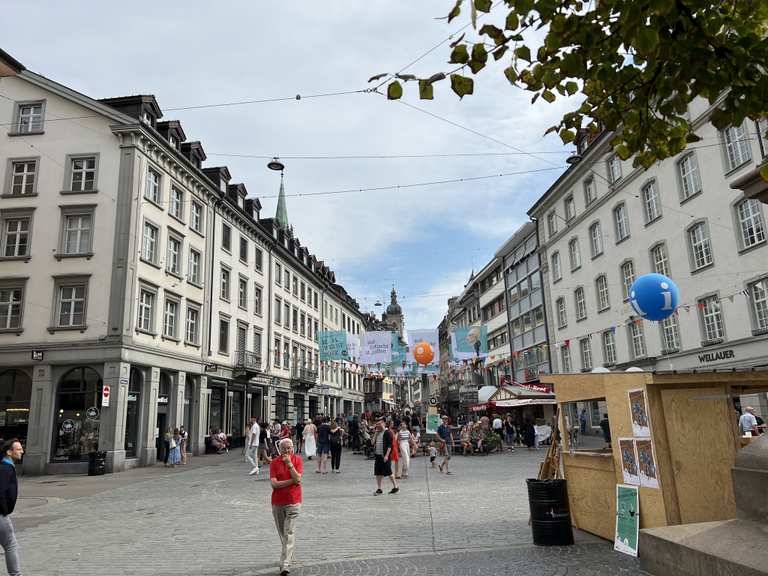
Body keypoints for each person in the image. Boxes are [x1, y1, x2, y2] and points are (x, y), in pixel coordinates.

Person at [270, 438, 303, 576]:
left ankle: (285, 564)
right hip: (277, 502)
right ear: (280, 449)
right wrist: (292, 481)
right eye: (284, 448)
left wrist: (289, 464)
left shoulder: (297, 460)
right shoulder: (274, 463)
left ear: (293, 448)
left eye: (289, 448)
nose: (287, 450)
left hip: (293, 502)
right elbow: (274, 484)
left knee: (289, 532)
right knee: (283, 533)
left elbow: (299, 479)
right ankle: (288, 555)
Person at [0, 439, 23, 576]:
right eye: (18, 449)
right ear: (9, 452)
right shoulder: (5, 468)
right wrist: (4, 511)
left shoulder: (6, 467)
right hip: (0, 515)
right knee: (10, 545)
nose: (22, 451)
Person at [372, 418, 399, 495]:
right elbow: (372, 442)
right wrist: (375, 434)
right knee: (378, 472)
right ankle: (379, 488)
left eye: (379, 424)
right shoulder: (378, 432)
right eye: (377, 424)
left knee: (388, 472)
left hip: (385, 456)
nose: (378, 425)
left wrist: (387, 456)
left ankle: (395, 487)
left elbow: (390, 446)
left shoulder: (388, 433)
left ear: (383, 423)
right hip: (378, 455)